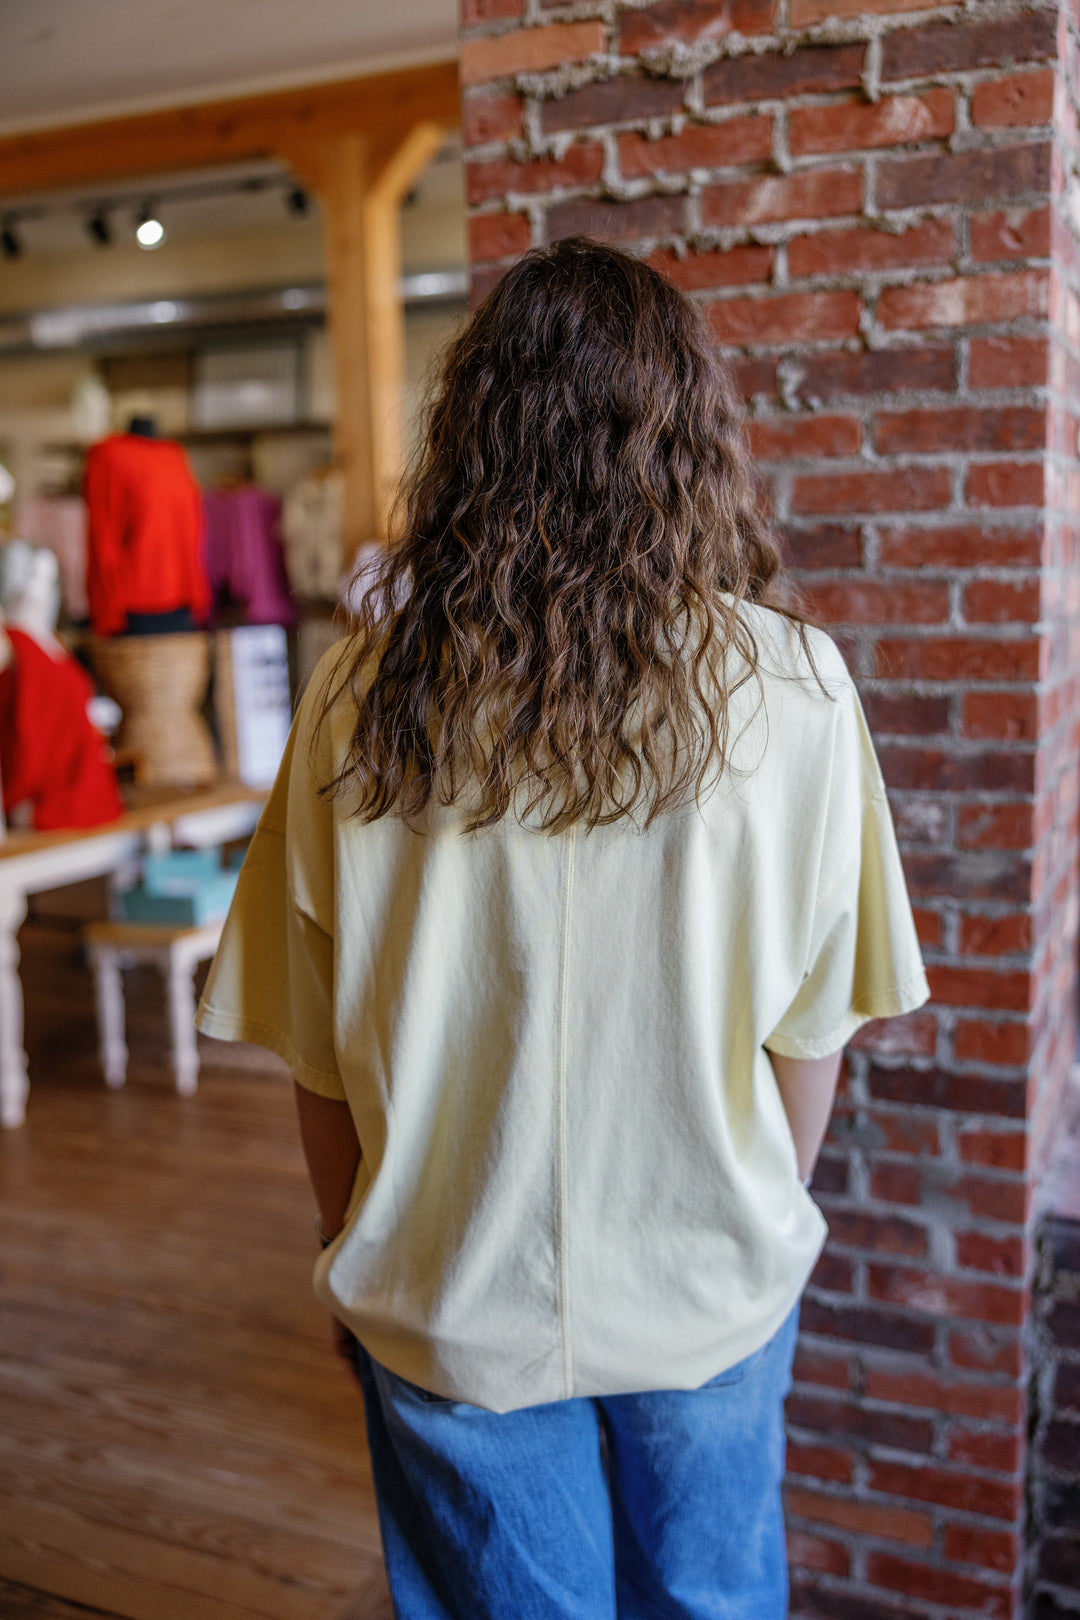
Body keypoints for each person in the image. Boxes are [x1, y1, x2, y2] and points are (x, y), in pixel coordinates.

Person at [196, 237, 929, 1619]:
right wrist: (751, 1199)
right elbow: (817, 1031)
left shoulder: (361, 696)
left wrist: (359, 1240)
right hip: (710, 1277)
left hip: (447, 1284)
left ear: (475, 432)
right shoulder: (797, 688)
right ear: (691, 436)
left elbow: (314, 1051)